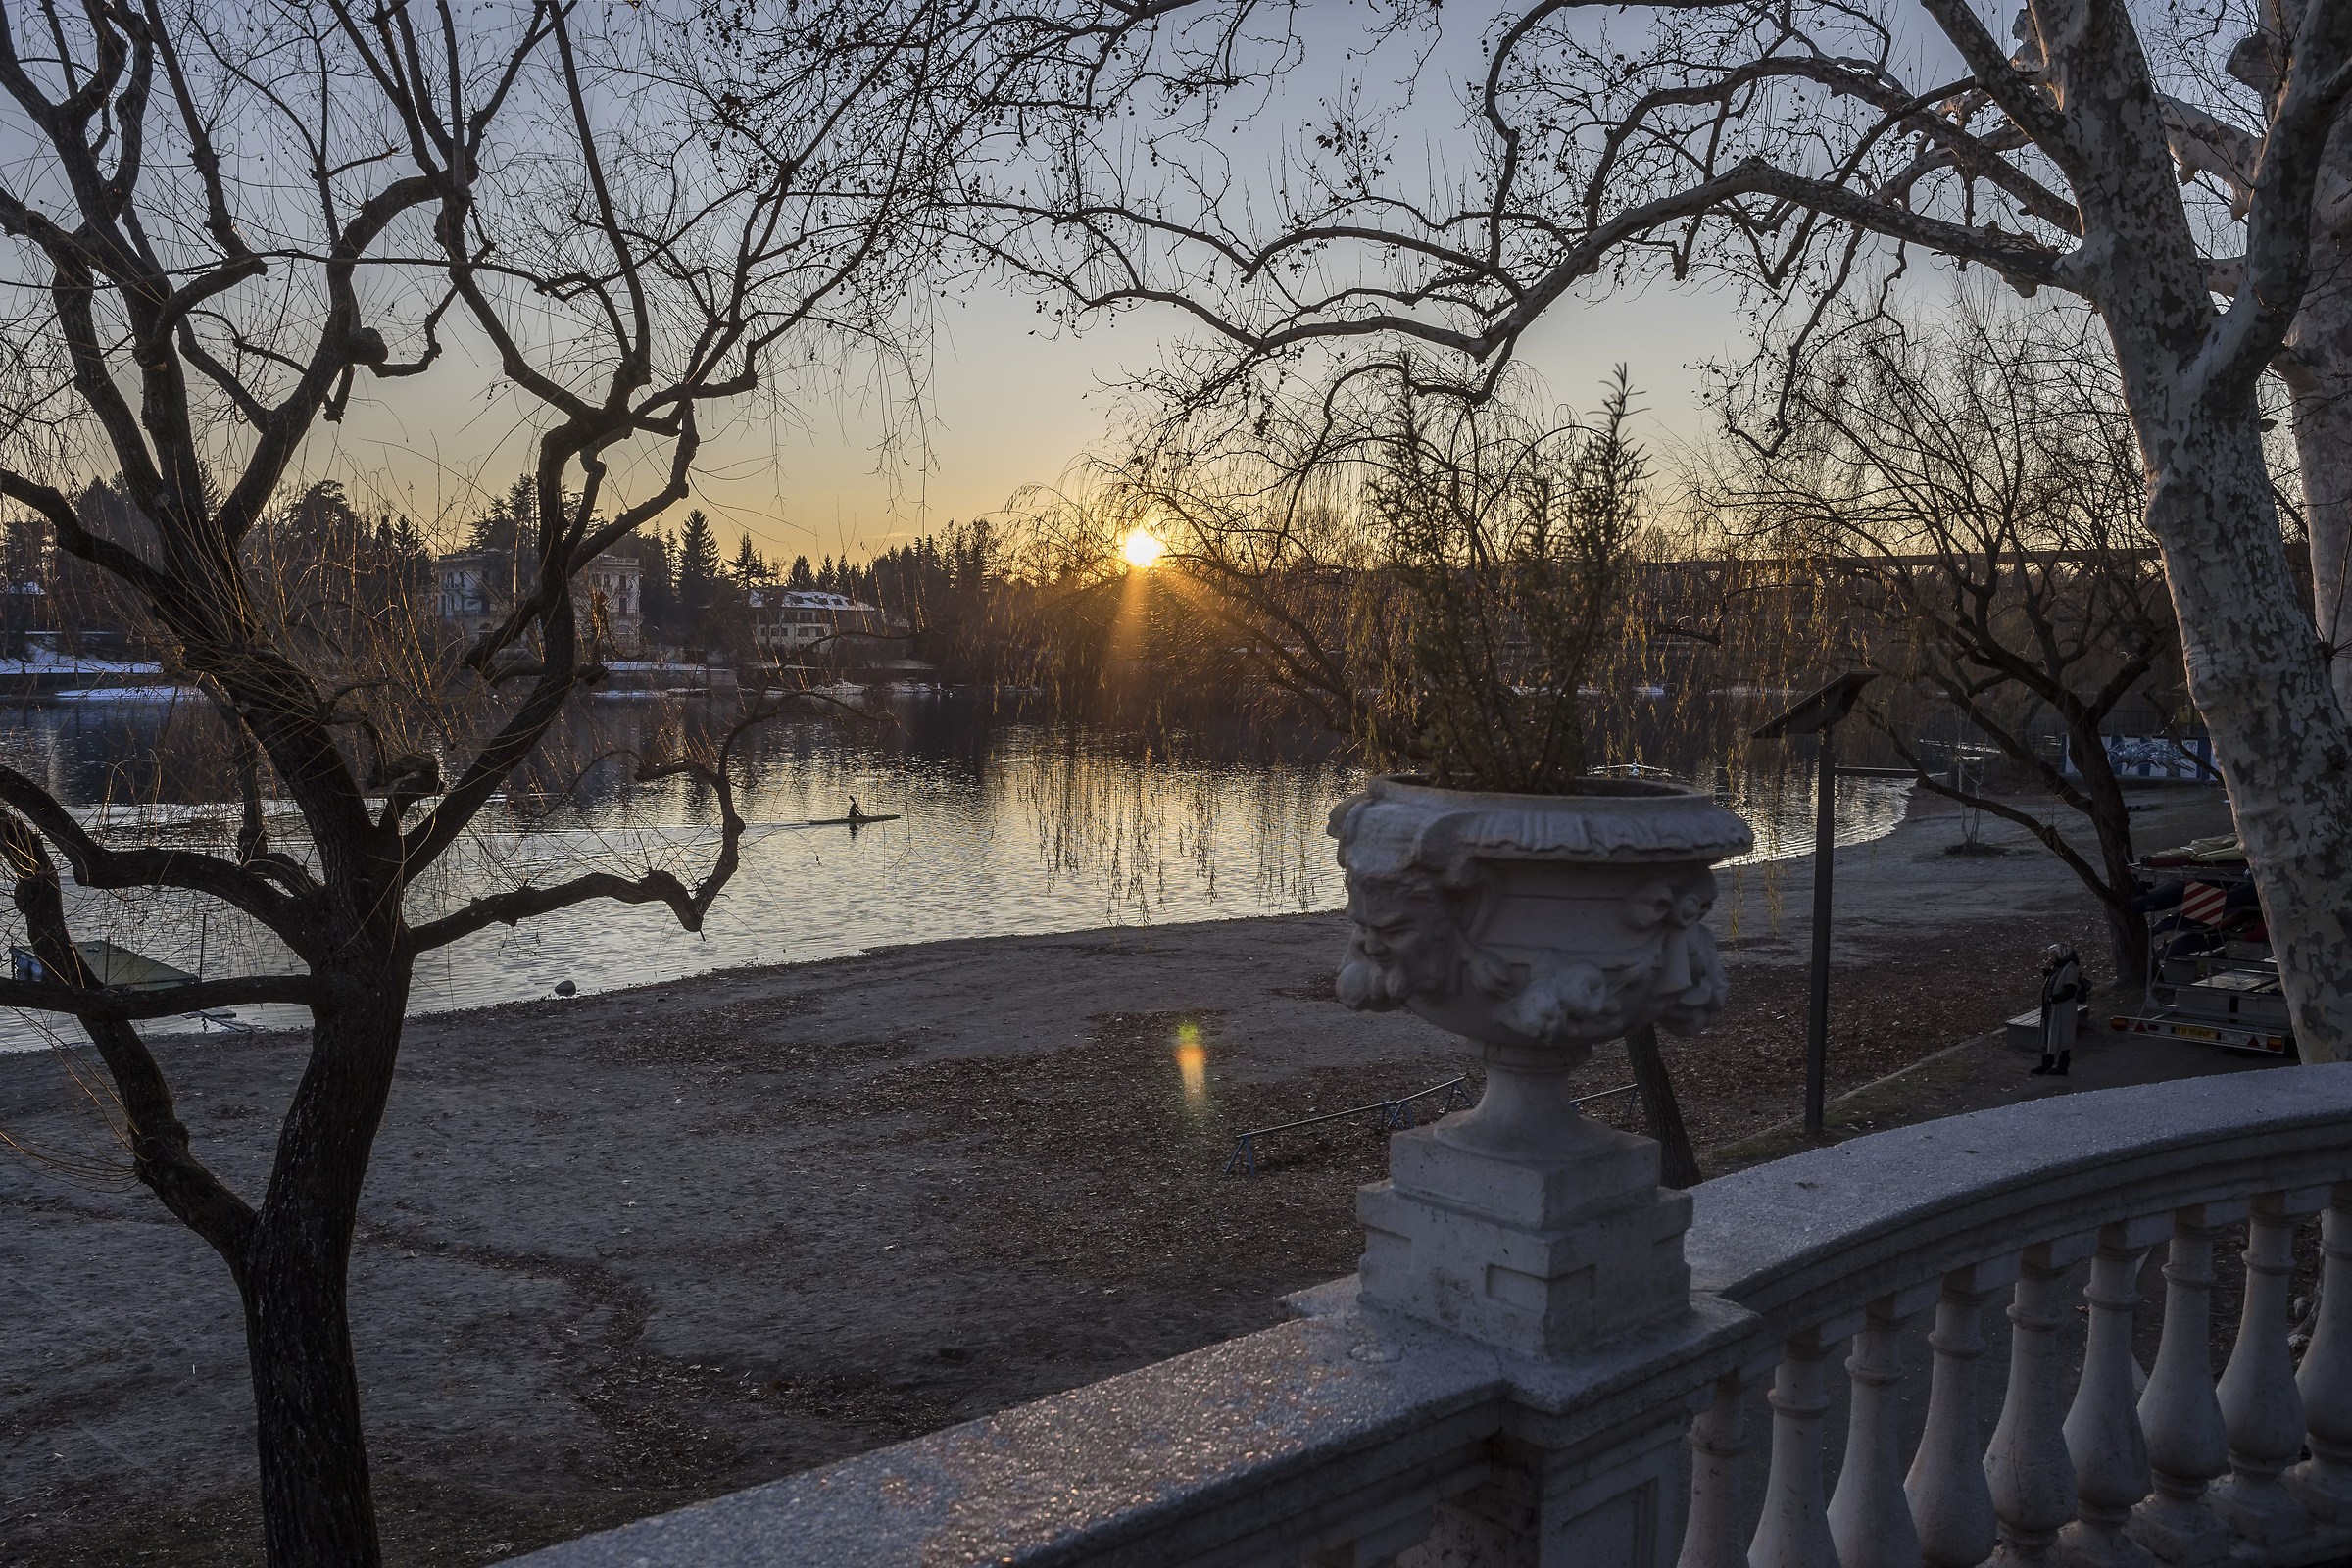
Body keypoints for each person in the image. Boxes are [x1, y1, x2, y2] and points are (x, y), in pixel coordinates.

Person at [2034, 942, 2082, 1076]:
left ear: (2060, 954)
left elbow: (2070, 990)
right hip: (2051, 1009)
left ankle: (2062, 1067)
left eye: (2052, 954)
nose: (2049, 956)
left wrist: (2054, 999)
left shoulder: (2069, 968)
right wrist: (2046, 970)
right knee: (2049, 1035)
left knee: (2062, 1036)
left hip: (2063, 1010)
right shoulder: (2058, 967)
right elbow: (2051, 982)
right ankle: (2046, 1064)